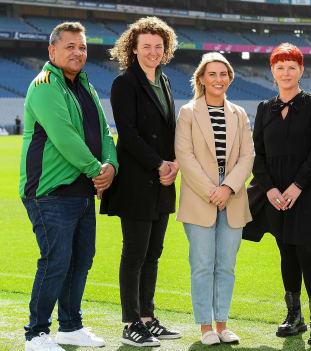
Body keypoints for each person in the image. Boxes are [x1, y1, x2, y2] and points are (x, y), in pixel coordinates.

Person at [18, 22, 117, 351]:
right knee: (56, 259)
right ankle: (36, 333)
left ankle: (71, 326)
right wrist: (95, 169)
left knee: (81, 259)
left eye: (83, 47)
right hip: (49, 193)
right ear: (53, 51)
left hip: (82, 192)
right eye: (70, 46)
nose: (78, 52)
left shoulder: (85, 86)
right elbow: (64, 137)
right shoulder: (44, 85)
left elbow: (104, 132)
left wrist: (111, 167)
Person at [99, 16, 181, 347]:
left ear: (165, 50)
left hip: (163, 179)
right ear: (133, 49)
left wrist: (174, 163)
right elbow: (129, 136)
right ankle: (131, 322)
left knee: (154, 252)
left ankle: (148, 317)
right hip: (137, 180)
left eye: (158, 47)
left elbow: (169, 131)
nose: (152, 52)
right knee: (135, 252)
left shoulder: (166, 82)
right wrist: (159, 164)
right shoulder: (124, 84)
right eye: (145, 46)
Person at [243, 43, 311, 345]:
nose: (286, 72)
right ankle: (294, 316)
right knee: (287, 253)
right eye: (280, 67)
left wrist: (297, 186)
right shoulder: (264, 108)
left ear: (301, 70)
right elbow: (258, 154)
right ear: (272, 72)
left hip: (308, 191)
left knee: (308, 252)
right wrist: (268, 188)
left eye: (292, 66)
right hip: (275, 195)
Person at [175, 52, 254, 346]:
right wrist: (211, 189)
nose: (218, 79)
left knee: (226, 265)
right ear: (202, 79)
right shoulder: (188, 112)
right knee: (202, 264)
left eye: (223, 74)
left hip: (233, 196)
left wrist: (229, 187)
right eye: (212, 74)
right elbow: (185, 155)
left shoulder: (240, 114)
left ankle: (222, 324)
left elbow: (248, 155)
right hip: (200, 196)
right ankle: (205, 326)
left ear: (230, 79)